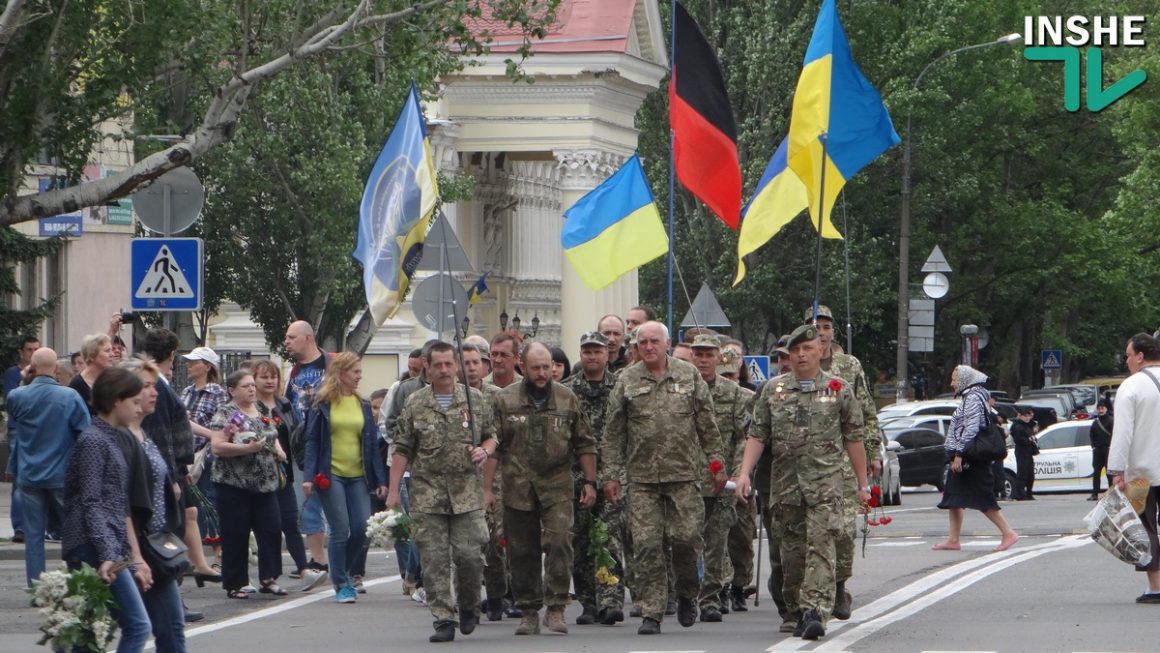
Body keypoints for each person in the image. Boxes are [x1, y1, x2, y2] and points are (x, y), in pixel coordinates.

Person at [734, 324, 869, 641]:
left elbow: (854, 438)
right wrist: (743, 473)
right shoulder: (773, 391)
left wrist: (863, 484)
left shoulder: (838, 389)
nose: (801, 355)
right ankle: (796, 609)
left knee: (821, 549)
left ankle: (814, 611)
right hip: (786, 489)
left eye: (807, 348)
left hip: (827, 488)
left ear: (820, 351)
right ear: (788, 356)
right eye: (795, 351)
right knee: (791, 556)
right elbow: (757, 435)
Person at [602, 321, 727, 635]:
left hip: (684, 475)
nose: (648, 347)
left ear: (667, 343)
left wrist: (717, 465)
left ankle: (686, 592)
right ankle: (652, 611)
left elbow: (707, 424)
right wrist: (612, 475)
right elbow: (614, 433)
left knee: (686, 539)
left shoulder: (688, 375)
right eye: (642, 342)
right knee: (646, 545)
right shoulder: (626, 380)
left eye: (654, 341)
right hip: (642, 479)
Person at [488, 342, 597, 635]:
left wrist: (590, 482)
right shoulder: (505, 400)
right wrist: (486, 489)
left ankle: (557, 607)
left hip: (557, 486)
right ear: (522, 367)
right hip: (516, 486)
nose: (542, 373)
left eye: (546, 367)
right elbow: (493, 446)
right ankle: (528, 610)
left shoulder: (566, 398)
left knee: (560, 543)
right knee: (522, 551)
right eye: (535, 368)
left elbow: (584, 443)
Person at [389, 341, 494, 642]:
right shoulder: (415, 403)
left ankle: (470, 605)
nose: (445, 370)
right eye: (438, 365)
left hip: (466, 494)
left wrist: (484, 451)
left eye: (450, 364)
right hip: (428, 493)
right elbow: (402, 448)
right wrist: (394, 490)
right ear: (428, 367)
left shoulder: (474, 400)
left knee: (471, 556)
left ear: (457, 366)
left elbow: (491, 437)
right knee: (433, 560)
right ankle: (443, 618)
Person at [61, 366, 153, 652]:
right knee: (136, 626)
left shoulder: (110, 438)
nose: (139, 408)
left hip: (106, 545)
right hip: (92, 545)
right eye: (134, 402)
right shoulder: (93, 440)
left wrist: (124, 554)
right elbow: (91, 502)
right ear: (116, 400)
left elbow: (114, 505)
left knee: (91, 629)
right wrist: (108, 555)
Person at [805, 305, 880, 620]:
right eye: (815, 326)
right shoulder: (796, 364)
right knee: (809, 534)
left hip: (845, 462)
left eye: (826, 326)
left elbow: (865, 409)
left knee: (844, 531)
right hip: (808, 461)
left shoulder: (848, 366)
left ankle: (838, 587)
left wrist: (873, 451)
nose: (821, 332)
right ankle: (807, 595)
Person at [139, 329, 218, 606]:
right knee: (167, 535)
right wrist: (174, 475)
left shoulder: (158, 383)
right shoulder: (157, 386)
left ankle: (180, 589)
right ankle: (172, 601)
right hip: (165, 473)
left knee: (180, 524)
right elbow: (162, 437)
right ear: (171, 354)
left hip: (172, 470)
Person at [302, 353, 388, 604]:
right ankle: (342, 583)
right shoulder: (322, 403)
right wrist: (309, 477)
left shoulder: (362, 404)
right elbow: (312, 442)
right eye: (356, 372)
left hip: (358, 475)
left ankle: (343, 572)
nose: (360, 376)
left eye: (360, 372)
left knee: (362, 529)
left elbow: (371, 445)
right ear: (340, 373)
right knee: (340, 530)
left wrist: (380, 480)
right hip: (331, 475)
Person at [5, 347, 90, 586]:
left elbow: (13, 409)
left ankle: (37, 587)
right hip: (62, 474)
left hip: (29, 475)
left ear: (31, 367)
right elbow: (85, 432)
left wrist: (24, 380)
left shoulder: (18, 396)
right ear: (56, 368)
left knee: (33, 536)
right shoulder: (69, 397)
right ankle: (75, 580)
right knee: (72, 532)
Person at [122, 358, 187, 653]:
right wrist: (135, 555)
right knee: (135, 630)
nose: (155, 392)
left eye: (154, 385)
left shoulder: (144, 433)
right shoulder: (122, 437)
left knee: (171, 631)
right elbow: (120, 503)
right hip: (134, 548)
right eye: (146, 385)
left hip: (156, 544)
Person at [206, 370, 288, 599]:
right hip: (234, 483)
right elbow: (218, 446)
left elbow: (271, 434)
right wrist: (246, 449)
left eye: (252, 385)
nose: (252, 389)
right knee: (236, 533)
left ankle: (269, 578)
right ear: (232, 391)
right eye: (245, 386)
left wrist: (279, 450)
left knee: (271, 529)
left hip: (265, 483)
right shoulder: (227, 413)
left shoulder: (261, 410)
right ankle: (235, 583)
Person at [688, 334, 753, 622]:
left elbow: (743, 438)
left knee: (716, 542)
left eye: (708, 354)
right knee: (685, 541)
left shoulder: (734, 394)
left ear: (719, 358)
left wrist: (739, 473)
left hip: (721, 481)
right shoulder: (680, 389)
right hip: (686, 480)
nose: (703, 360)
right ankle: (685, 593)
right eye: (698, 354)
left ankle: (710, 599)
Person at [568, 331, 628, 626]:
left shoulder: (620, 387)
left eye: (597, 351)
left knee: (610, 537)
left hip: (614, 474)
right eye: (587, 351)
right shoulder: (566, 391)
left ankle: (611, 601)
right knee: (580, 542)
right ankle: (588, 603)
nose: (592, 356)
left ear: (607, 354)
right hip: (577, 475)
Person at [932, 365, 1019, 553]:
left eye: (954, 379)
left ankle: (1008, 532)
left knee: (983, 498)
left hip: (971, 459)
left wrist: (959, 455)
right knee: (952, 497)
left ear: (964, 380)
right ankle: (953, 539)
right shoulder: (973, 396)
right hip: (965, 456)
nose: (952, 383)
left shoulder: (972, 398)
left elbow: (971, 428)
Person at [1108, 333, 1160, 603]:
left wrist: (1116, 469)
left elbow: (1123, 433)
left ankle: (1156, 585)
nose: (1127, 360)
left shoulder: (1131, 386)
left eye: (1128, 355)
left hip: (1143, 471)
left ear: (1140, 356)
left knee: (1146, 527)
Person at [252, 360, 313, 584]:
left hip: (284, 473)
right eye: (264, 377)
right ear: (254, 379)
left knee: (290, 520)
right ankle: (270, 576)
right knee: (269, 526)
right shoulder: (251, 406)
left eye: (273, 377)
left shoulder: (284, 403)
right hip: (259, 475)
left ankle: (304, 569)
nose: (269, 381)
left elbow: (296, 434)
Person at [462, 343, 510, 622]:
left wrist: (489, 487)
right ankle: (467, 599)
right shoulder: (451, 396)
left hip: (495, 475)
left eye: (475, 362)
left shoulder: (497, 396)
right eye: (465, 362)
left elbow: (501, 438)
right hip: (461, 479)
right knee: (465, 545)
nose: (471, 368)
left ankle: (496, 596)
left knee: (493, 540)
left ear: (485, 366)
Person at [283, 320, 332, 584]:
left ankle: (342, 558)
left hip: (330, 442)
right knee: (309, 501)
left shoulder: (331, 364)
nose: (286, 342)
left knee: (336, 503)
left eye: (291, 337)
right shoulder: (294, 372)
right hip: (303, 446)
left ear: (308, 338)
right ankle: (318, 560)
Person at [180, 346, 227, 567]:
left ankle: (219, 553)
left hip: (208, 455)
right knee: (191, 507)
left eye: (194, 361)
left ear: (207, 366)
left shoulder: (217, 392)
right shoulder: (186, 392)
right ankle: (194, 557)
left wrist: (194, 426)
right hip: (188, 455)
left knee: (210, 502)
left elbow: (222, 426)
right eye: (189, 361)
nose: (189, 365)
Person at [69, 333, 115, 412]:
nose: (112, 354)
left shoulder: (111, 381)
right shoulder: (77, 385)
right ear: (92, 355)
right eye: (107, 351)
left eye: (111, 350)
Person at [1010, 405, 1039, 501]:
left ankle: (1029, 493)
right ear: (1020, 416)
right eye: (1025, 416)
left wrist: (1033, 438)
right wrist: (1029, 440)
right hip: (1021, 451)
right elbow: (1020, 440)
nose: (1027, 418)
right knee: (1022, 473)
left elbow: (1032, 433)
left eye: (1029, 416)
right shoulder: (1018, 426)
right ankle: (1020, 494)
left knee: (1030, 473)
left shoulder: (1028, 425)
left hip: (1028, 451)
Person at [1089, 398, 1114, 500]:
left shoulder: (1111, 421)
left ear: (1106, 409)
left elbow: (1114, 435)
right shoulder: (1095, 422)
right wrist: (1094, 445)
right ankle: (1095, 494)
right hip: (1098, 450)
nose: (1100, 410)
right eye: (1099, 408)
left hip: (1108, 449)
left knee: (1109, 474)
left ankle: (1112, 494)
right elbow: (1092, 435)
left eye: (1102, 408)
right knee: (1096, 473)